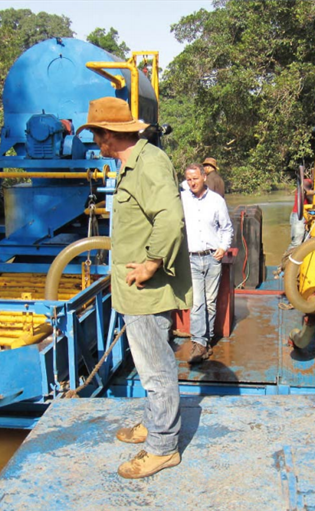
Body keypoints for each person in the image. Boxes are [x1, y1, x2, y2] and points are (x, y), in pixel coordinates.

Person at [78, 97, 193, 480]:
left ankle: (162, 447)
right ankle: (154, 421)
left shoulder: (150, 162)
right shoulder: (131, 165)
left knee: (156, 368)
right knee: (148, 365)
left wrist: (151, 263)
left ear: (110, 134)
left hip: (146, 289)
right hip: (135, 291)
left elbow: (170, 218)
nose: (95, 141)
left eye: (96, 134)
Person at [180, 163, 233, 364]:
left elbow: (226, 228)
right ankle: (198, 344)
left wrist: (223, 246)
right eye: (188, 179)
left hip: (212, 257)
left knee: (210, 303)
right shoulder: (182, 199)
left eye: (195, 178)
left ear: (204, 177)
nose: (192, 182)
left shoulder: (216, 201)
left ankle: (206, 341)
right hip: (191, 258)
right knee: (197, 303)